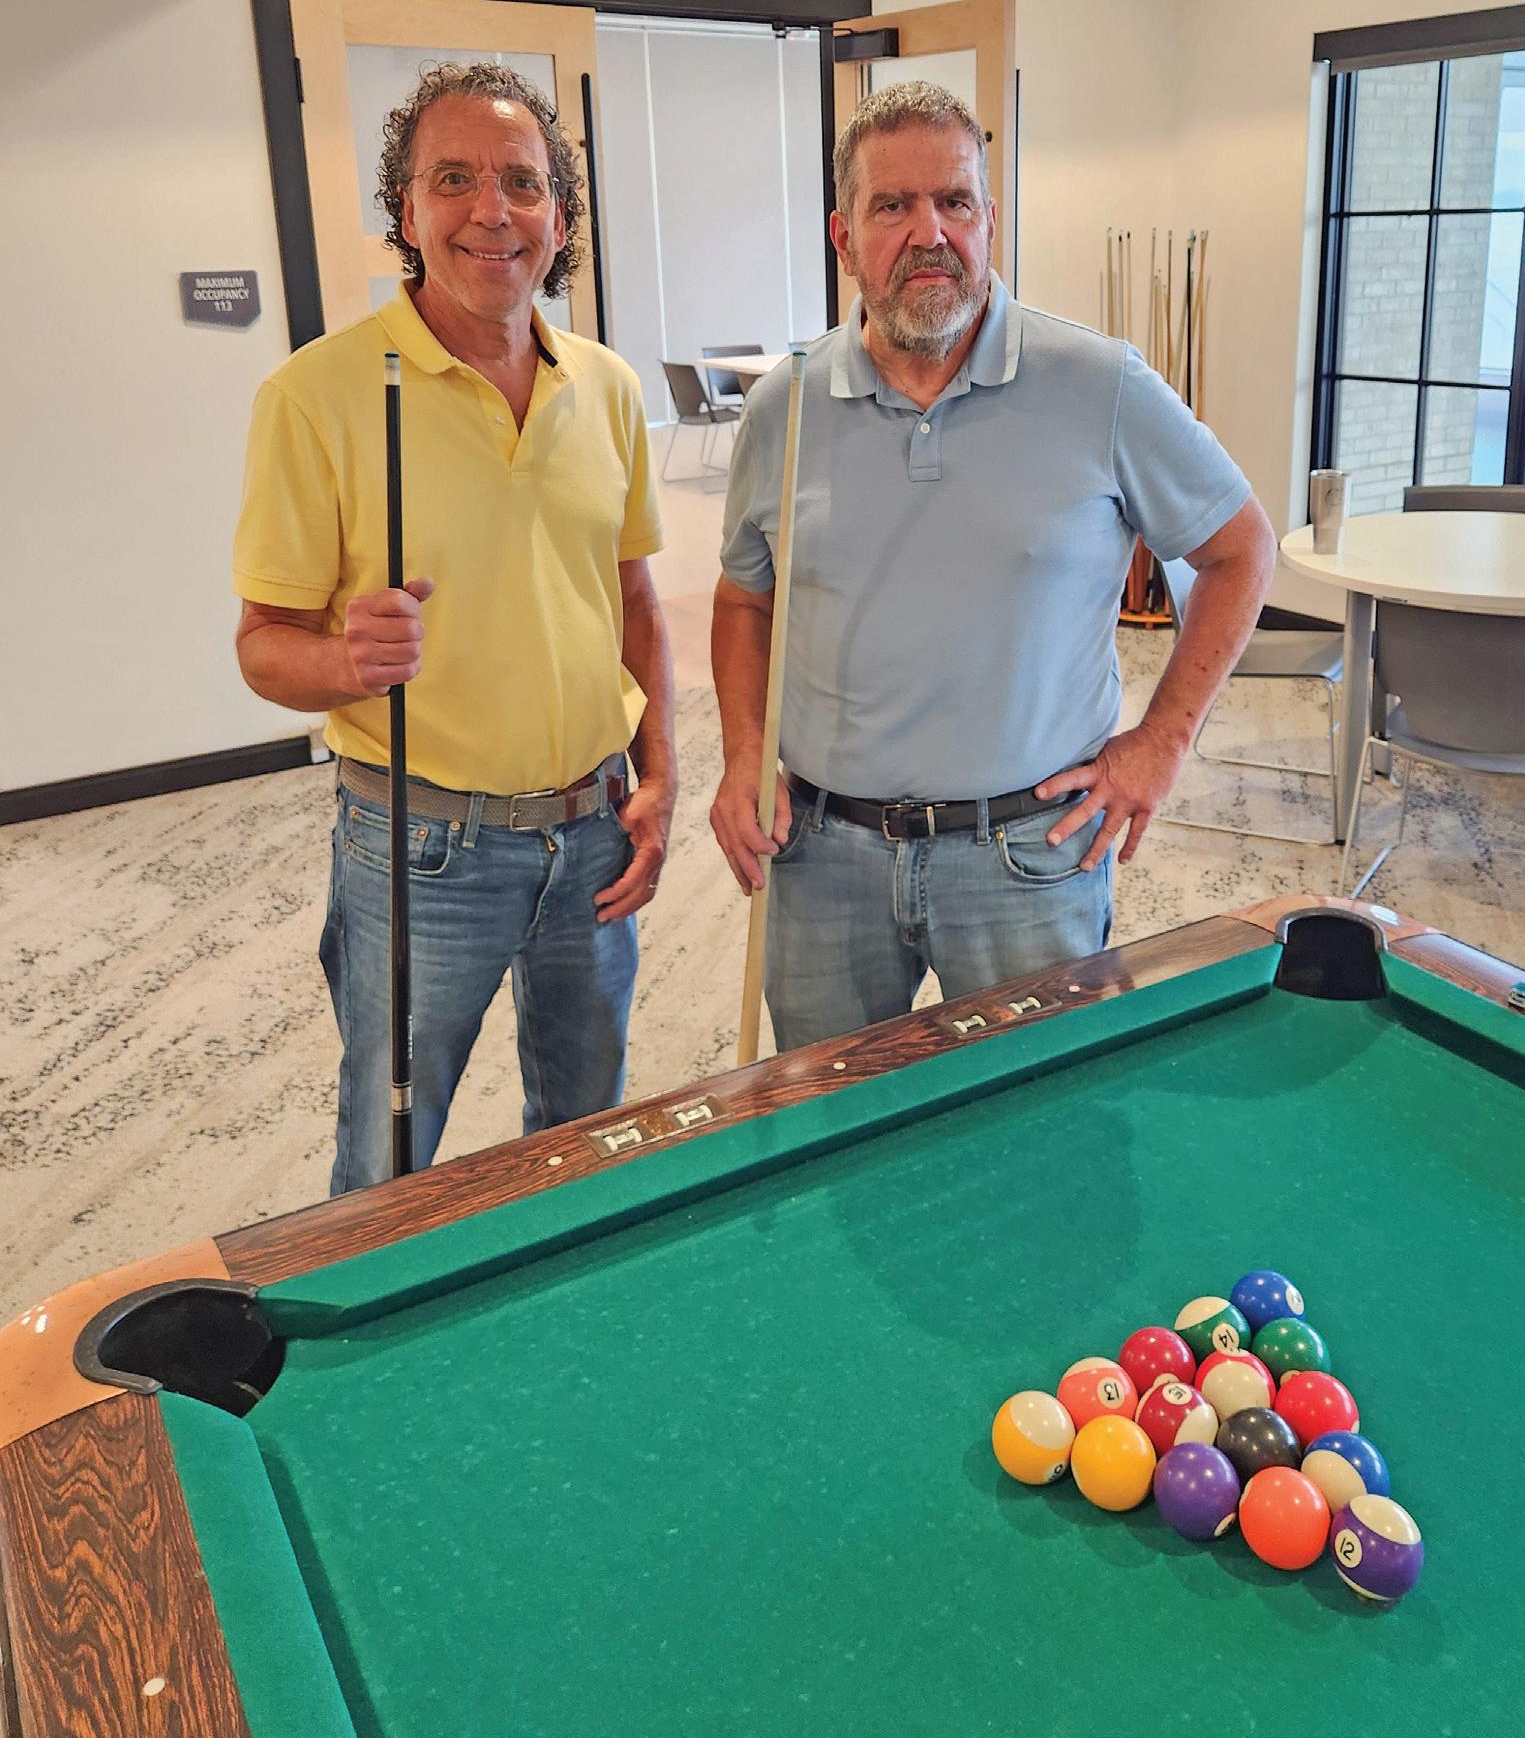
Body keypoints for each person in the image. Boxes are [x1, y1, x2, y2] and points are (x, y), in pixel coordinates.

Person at [711, 80, 1274, 1051]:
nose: (929, 232)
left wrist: (1162, 741)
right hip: (822, 858)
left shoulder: (1099, 383)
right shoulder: (784, 406)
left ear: (988, 220)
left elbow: (1240, 548)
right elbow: (742, 598)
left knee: (1043, 1113)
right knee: (831, 1121)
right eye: (893, 205)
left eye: (954, 201)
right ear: (844, 238)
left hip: (1029, 856)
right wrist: (740, 752)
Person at [234, 63, 674, 1192]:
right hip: (421, 847)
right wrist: (345, 660)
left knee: (585, 1133)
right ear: (408, 209)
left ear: (559, 218)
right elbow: (262, 642)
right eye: (454, 180)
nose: (492, 210)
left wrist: (661, 777)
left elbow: (632, 600)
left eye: (522, 182)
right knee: (388, 1160)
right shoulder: (318, 395)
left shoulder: (608, 386)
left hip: (592, 829)